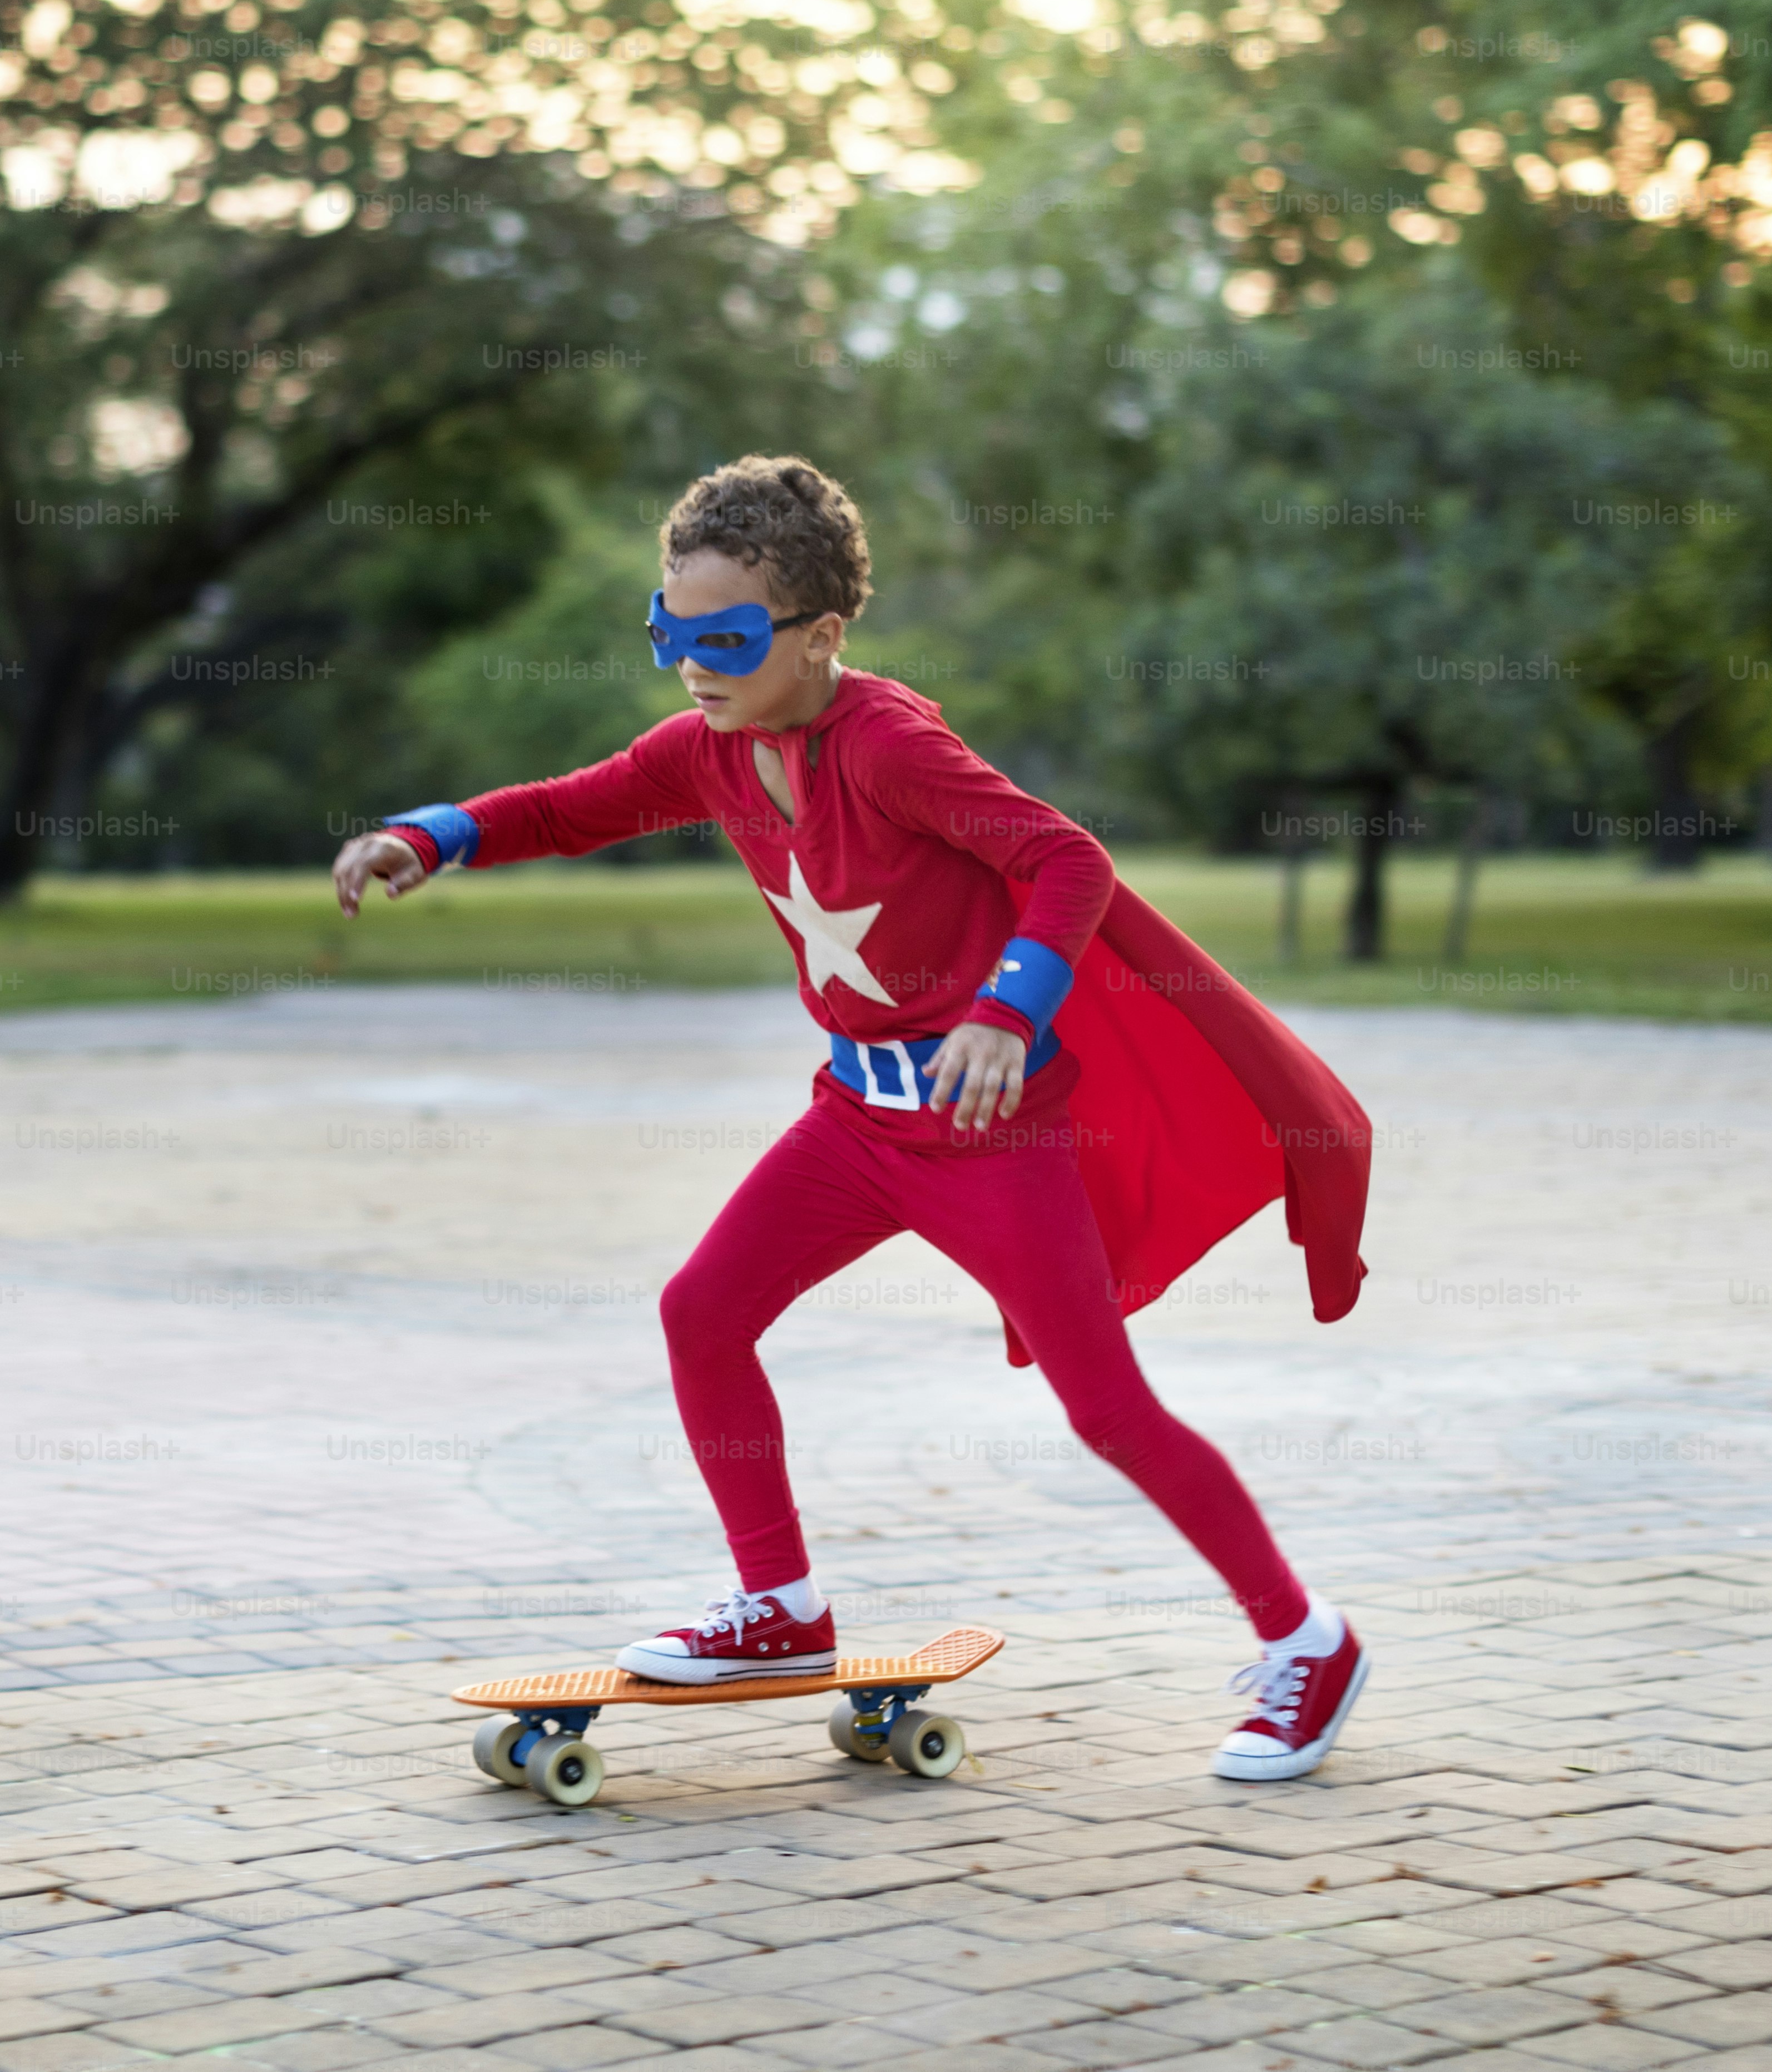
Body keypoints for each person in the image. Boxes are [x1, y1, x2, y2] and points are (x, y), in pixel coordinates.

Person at [331, 456, 1372, 1782]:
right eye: (667, 630)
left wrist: (1008, 1014)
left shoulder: (885, 747)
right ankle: (778, 1608)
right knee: (701, 1312)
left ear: (820, 637)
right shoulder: (709, 749)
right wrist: (431, 836)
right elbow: (572, 805)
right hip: (857, 1125)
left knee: (1104, 1408)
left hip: (991, 1133)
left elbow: (1067, 860)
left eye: (720, 638)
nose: (687, 665)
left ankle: (1307, 1642)